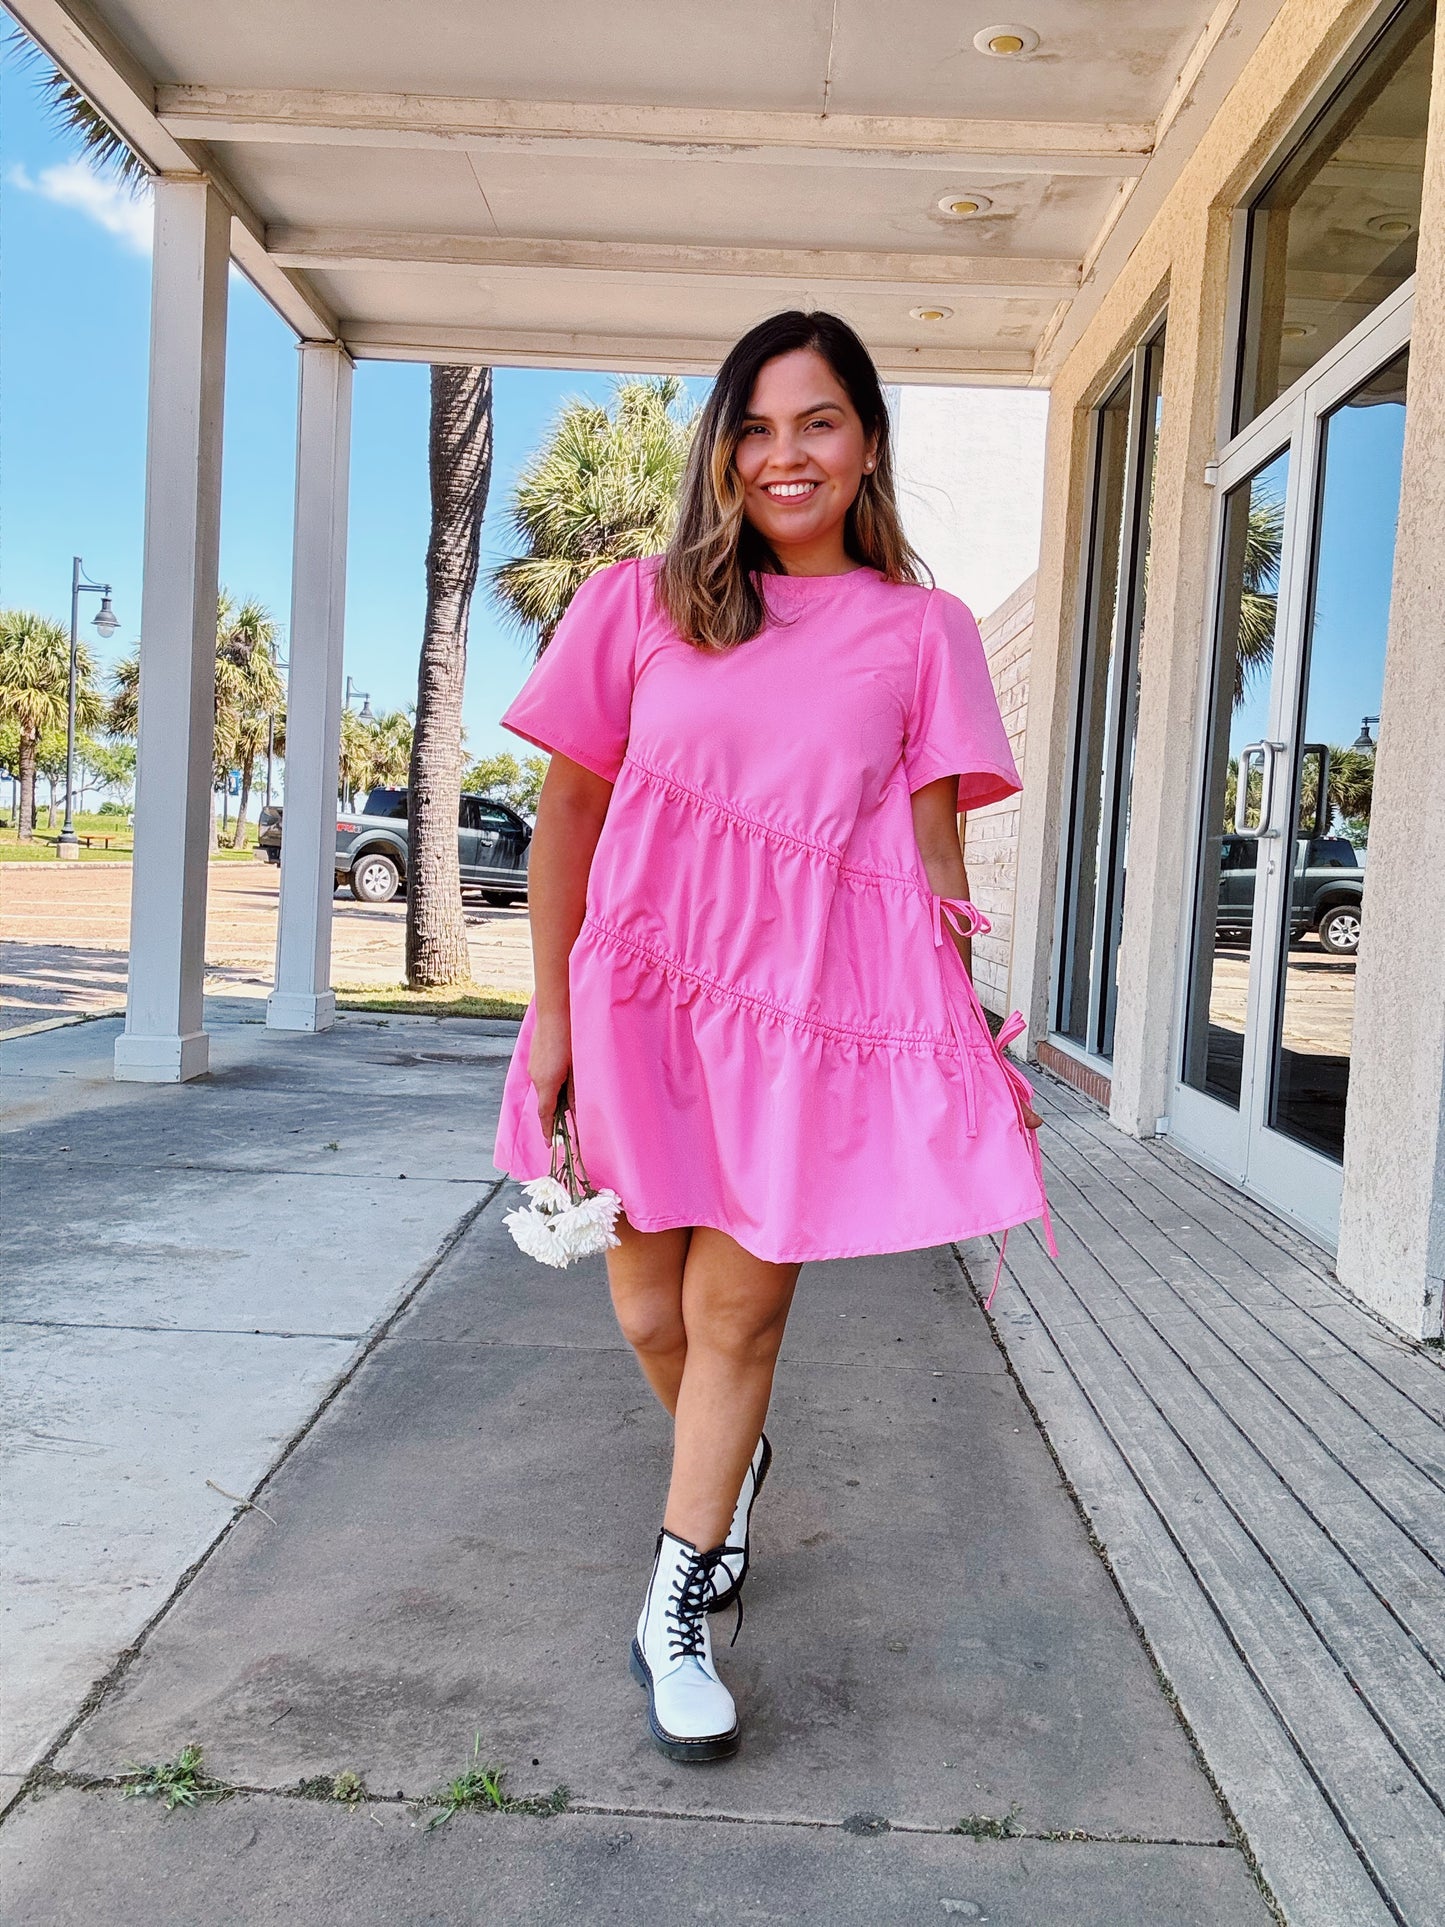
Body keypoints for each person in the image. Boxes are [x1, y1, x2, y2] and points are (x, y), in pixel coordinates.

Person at [493, 310, 1045, 1764]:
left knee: (736, 1318)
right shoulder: (637, 602)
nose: (783, 454)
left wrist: (961, 1046)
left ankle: (673, 1602)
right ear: (720, 449)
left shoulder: (921, 631)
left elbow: (930, 863)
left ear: (865, 444)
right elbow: (569, 815)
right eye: (754, 425)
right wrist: (550, 1013)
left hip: (804, 1026)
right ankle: (722, 1465)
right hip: (634, 1004)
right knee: (647, 1315)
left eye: (816, 422)